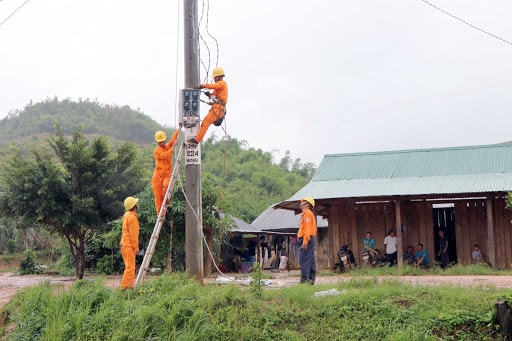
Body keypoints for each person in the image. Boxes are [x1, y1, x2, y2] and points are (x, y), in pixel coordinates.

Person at [187, 67, 228, 145]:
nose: (214, 79)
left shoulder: (222, 83)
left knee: (206, 122)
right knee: (205, 122)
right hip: (217, 108)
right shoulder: (219, 88)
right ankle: (197, 139)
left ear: (219, 76)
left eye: (215, 77)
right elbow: (215, 97)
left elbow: (214, 86)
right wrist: (209, 95)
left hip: (218, 109)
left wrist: (203, 86)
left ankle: (196, 140)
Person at [152, 126, 181, 216]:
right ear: (157, 142)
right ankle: (160, 214)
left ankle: (166, 200)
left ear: (165, 140)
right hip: (157, 176)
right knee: (158, 196)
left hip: (166, 175)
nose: (162, 143)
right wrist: (173, 147)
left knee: (167, 185)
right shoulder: (157, 151)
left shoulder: (167, 146)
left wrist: (179, 129)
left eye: (163, 141)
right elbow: (166, 155)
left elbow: (172, 140)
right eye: (160, 142)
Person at [120, 196, 140, 289]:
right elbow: (134, 235)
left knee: (129, 267)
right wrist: (135, 248)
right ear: (134, 205)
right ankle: (125, 287)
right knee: (130, 268)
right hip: (129, 245)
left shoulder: (126, 215)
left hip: (124, 244)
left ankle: (128, 286)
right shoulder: (132, 218)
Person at [297, 196, 317, 284]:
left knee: (304, 260)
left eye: (303, 202)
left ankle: (304, 281)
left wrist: (305, 241)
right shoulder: (306, 214)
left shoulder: (308, 214)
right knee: (310, 260)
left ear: (307, 204)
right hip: (308, 239)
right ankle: (311, 280)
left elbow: (307, 229)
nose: (301, 204)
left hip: (306, 239)